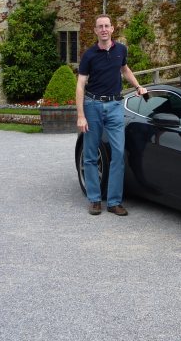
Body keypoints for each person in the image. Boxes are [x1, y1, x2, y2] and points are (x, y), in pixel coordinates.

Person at [76, 14, 147, 216]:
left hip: (115, 106)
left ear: (112, 29)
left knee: (118, 153)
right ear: (96, 31)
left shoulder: (121, 50)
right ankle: (95, 199)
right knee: (90, 154)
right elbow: (80, 85)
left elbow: (125, 69)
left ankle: (114, 202)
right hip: (93, 105)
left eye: (107, 26)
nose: (104, 29)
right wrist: (81, 115)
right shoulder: (89, 55)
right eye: (100, 26)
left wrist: (138, 86)